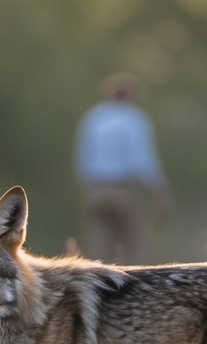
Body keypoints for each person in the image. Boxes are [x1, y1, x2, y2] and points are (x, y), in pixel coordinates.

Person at [73, 73, 172, 263]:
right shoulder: (134, 119)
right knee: (134, 250)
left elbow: (82, 160)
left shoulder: (93, 118)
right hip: (123, 190)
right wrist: (160, 191)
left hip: (96, 191)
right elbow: (143, 160)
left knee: (99, 255)